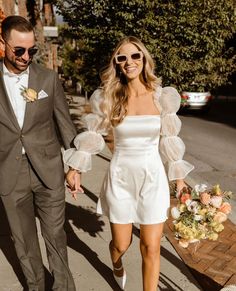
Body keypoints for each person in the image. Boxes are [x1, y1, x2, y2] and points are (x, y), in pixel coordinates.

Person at [64, 36, 194, 291]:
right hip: (121, 176)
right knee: (121, 244)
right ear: (116, 63)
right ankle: (116, 263)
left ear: (144, 59)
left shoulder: (162, 97)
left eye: (135, 55)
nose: (129, 62)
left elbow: (170, 138)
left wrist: (179, 179)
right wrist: (75, 168)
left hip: (152, 176)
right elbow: (93, 135)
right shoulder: (108, 97)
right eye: (122, 58)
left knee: (151, 246)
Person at [0, 15, 78, 291]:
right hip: (9, 172)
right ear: (3, 44)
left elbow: (66, 126)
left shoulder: (48, 79)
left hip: (48, 169)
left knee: (56, 236)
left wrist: (75, 166)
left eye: (31, 50)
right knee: (23, 241)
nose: (25, 56)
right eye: (18, 50)